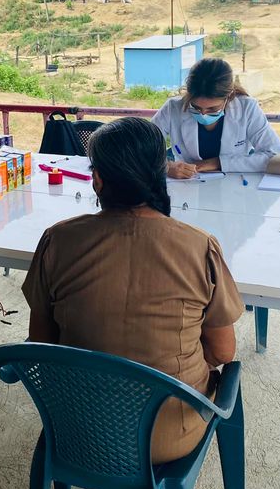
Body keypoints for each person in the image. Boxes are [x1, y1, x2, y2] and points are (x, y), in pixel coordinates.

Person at [22, 117, 244, 464]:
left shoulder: (58, 240)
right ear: (160, 174)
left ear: (97, 180)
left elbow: (42, 341)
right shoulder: (199, 247)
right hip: (167, 437)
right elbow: (222, 352)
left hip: (77, 428)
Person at [153, 57, 280, 179]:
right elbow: (142, 148)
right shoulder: (173, 108)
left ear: (229, 96)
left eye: (212, 109)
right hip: (188, 184)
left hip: (235, 185)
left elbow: (276, 156)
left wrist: (219, 163)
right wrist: (166, 167)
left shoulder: (246, 109)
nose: (203, 113)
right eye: (196, 107)